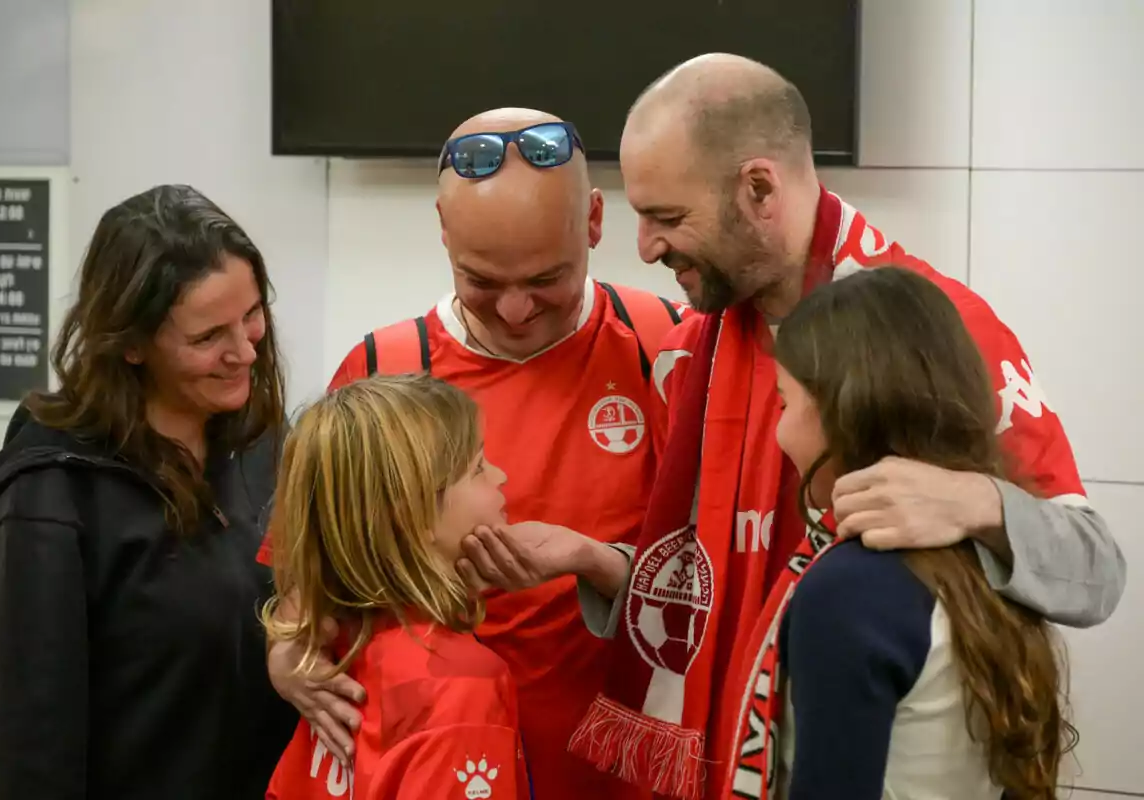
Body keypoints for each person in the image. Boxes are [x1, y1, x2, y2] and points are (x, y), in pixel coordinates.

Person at [460, 55, 1124, 800]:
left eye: (668, 218)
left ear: (759, 189)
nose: (644, 247)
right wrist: (599, 560)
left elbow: (1098, 572)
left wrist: (979, 504)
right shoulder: (690, 352)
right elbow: (718, 588)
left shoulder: (932, 331)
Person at [262, 108, 686, 800]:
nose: (516, 310)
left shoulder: (664, 347)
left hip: (619, 771)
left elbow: (724, 585)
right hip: (427, 761)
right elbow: (307, 568)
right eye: (482, 282)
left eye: (548, 279)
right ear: (441, 229)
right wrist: (288, 649)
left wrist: (596, 562)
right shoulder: (382, 373)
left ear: (594, 223)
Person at [0, 184, 299, 800]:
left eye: (252, 316)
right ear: (131, 345)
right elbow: (29, 753)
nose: (245, 350)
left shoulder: (260, 445)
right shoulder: (47, 496)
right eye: (207, 337)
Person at [767, 266, 1075, 798]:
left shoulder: (849, 590)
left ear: (841, 414)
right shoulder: (984, 556)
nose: (778, 432)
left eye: (784, 403)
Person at [262, 374, 528, 800]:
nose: (499, 476)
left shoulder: (334, 653)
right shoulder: (463, 684)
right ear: (415, 516)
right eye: (477, 467)